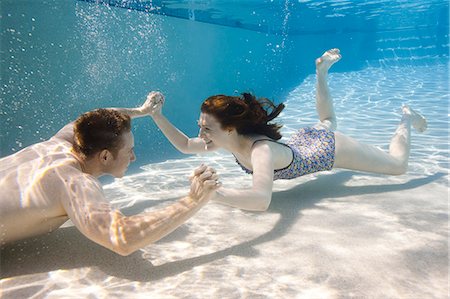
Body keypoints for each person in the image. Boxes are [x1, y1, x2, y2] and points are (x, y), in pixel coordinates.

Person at [147, 48, 427, 212]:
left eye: (206, 128)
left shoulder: (261, 151)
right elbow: (185, 145)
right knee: (328, 119)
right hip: (303, 142)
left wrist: (213, 194)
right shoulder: (225, 140)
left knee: (398, 166)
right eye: (200, 126)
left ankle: (405, 117)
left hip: (326, 150)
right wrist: (157, 115)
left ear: (230, 128)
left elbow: (260, 200)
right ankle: (321, 73)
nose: (201, 133)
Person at [0, 99, 220, 256]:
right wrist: (193, 200)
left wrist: (141, 110)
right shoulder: (74, 182)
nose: (134, 157)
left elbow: (97, 115)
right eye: (129, 151)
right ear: (105, 156)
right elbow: (123, 238)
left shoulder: (61, 141)